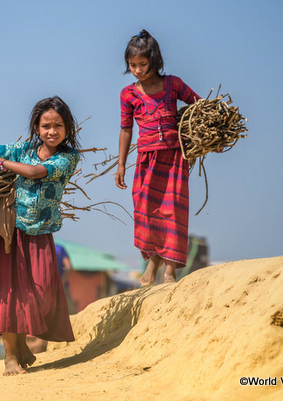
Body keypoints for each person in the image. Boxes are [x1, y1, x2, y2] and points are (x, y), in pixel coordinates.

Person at [0, 96, 80, 376]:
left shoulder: (67, 158)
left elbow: (35, 172)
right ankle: (10, 358)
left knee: (41, 294)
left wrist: (1, 163)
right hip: (9, 233)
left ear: (68, 128)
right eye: (45, 126)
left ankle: (22, 346)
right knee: (10, 295)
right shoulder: (23, 148)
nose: (52, 131)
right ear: (36, 128)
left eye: (58, 125)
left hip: (40, 234)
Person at [115, 30, 200, 287]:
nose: (138, 70)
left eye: (143, 64)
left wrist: (207, 138)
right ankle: (152, 260)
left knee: (172, 211)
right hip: (145, 161)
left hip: (174, 158)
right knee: (146, 211)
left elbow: (198, 106)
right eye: (133, 65)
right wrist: (120, 165)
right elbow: (126, 128)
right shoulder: (128, 94)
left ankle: (170, 270)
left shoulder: (173, 85)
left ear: (155, 61)